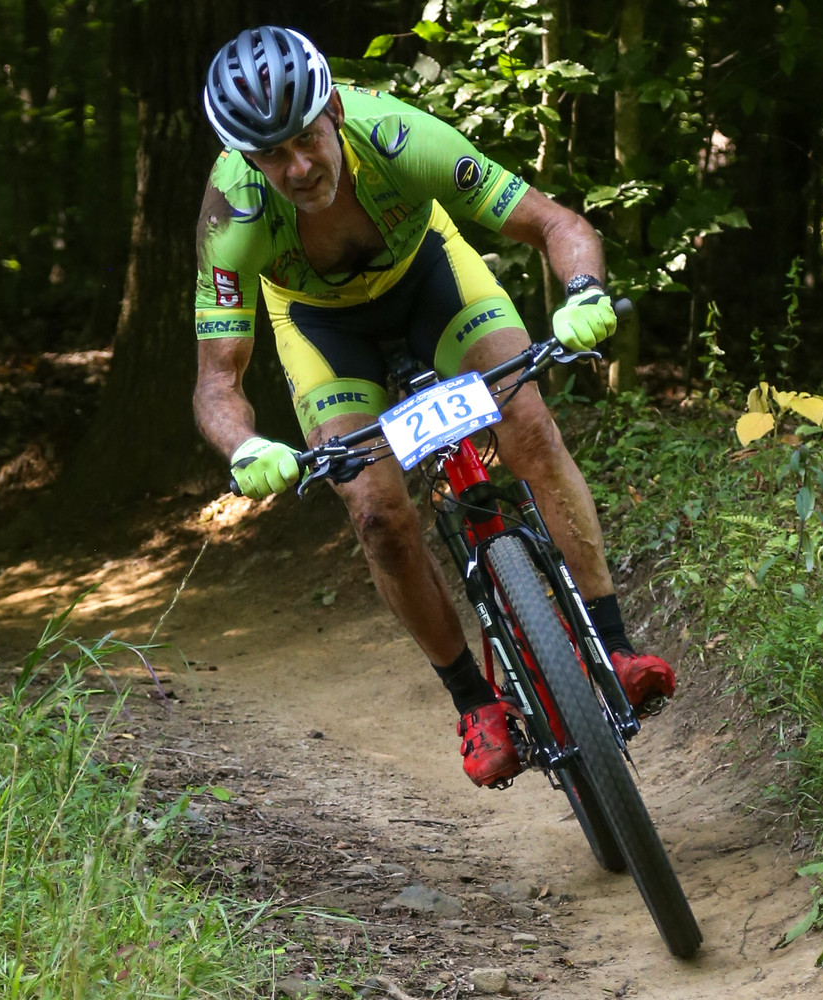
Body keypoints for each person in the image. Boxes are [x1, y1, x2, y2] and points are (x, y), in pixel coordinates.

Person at [192, 26, 675, 787]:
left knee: (528, 425)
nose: (299, 167)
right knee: (377, 517)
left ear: (333, 112)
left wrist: (583, 292)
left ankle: (612, 647)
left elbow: (556, 224)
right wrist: (246, 448)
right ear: (246, 160)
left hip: (430, 279)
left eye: (307, 138)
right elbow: (218, 381)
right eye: (272, 155)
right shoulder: (232, 216)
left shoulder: (398, 136)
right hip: (322, 330)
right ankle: (475, 704)